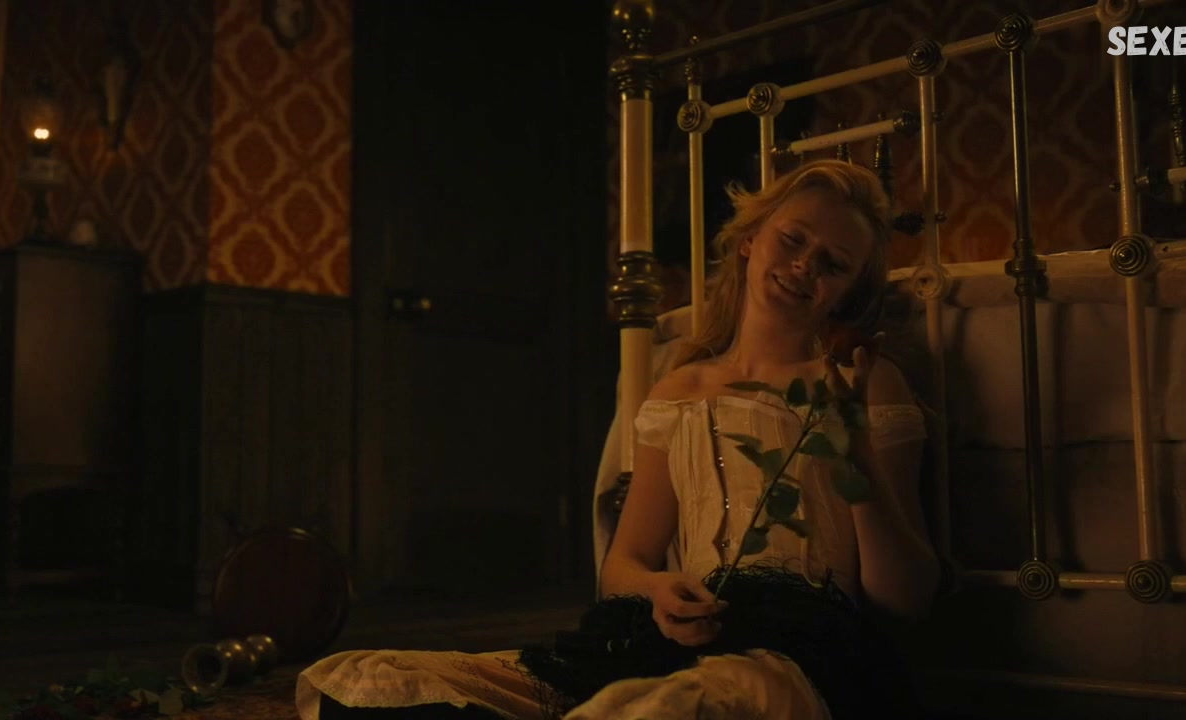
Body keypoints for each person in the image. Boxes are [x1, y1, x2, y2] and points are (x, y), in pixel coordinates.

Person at [296, 159, 939, 720]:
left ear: (848, 291)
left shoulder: (862, 382)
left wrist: (854, 450)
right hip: (671, 636)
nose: (803, 266)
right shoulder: (678, 389)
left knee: (682, 706)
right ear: (750, 240)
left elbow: (906, 598)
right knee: (367, 682)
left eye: (833, 264)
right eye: (793, 239)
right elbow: (623, 565)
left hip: (795, 651)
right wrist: (660, 592)